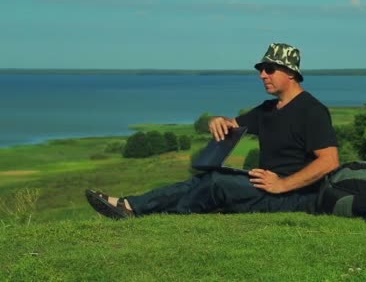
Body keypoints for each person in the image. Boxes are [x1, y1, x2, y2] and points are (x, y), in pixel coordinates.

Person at [86, 43, 340, 219]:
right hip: (267, 187)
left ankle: (159, 215)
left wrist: (283, 184)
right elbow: (232, 124)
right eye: (260, 69)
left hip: (294, 198)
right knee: (205, 178)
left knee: (218, 183)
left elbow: (329, 161)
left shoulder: (312, 110)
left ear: (291, 73)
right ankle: (129, 204)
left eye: (270, 69)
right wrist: (217, 121)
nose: (262, 75)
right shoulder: (268, 109)